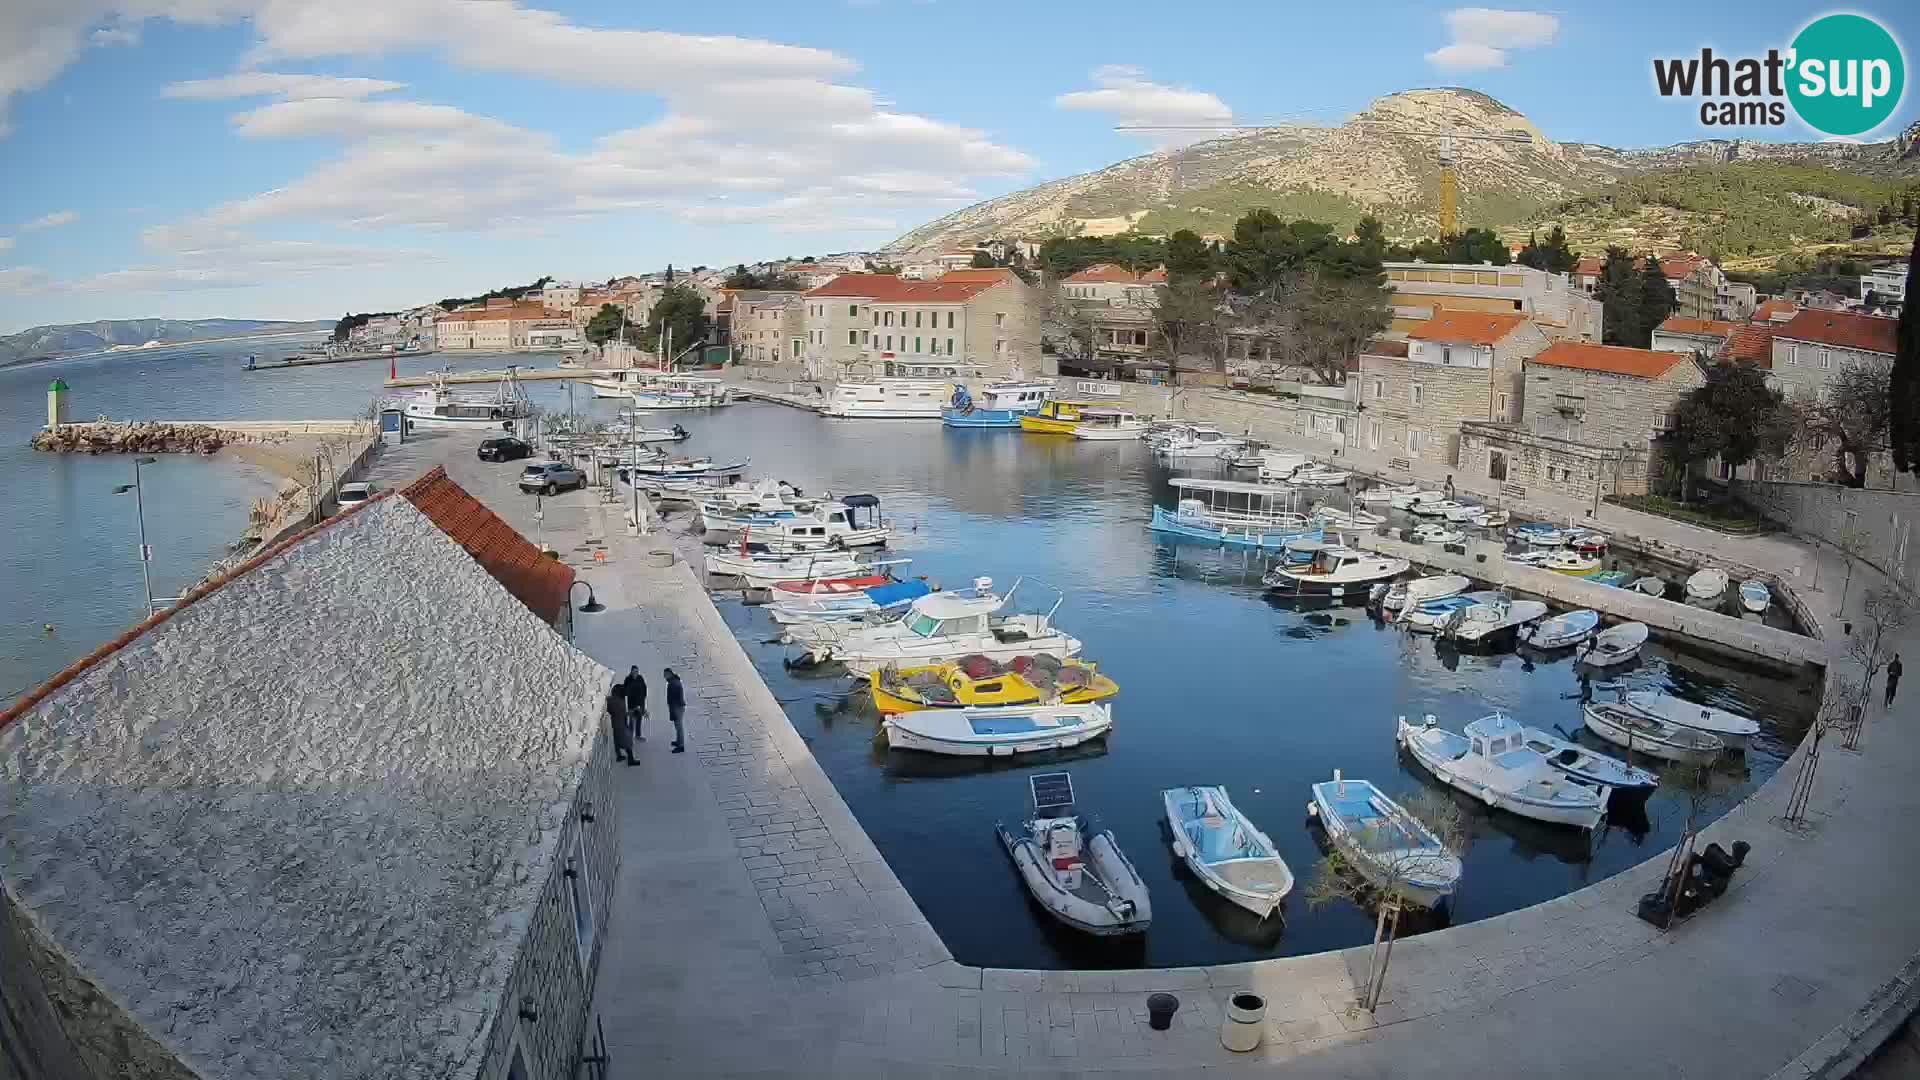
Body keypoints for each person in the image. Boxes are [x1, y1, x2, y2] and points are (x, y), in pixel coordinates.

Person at [606, 681, 635, 765]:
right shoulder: (620, 702)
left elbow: (610, 710)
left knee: (617, 739)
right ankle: (631, 760)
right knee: (627, 740)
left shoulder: (610, 700)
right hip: (621, 723)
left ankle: (619, 756)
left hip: (614, 723)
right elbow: (622, 713)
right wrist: (631, 713)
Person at [665, 667, 687, 753]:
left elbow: (673, 699)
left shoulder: (673, 683)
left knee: (679, 726)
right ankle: (678, 742)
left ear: (670, 674)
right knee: (677, 726)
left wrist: (672, 710)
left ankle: (681, 746)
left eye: (666, 674)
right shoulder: (674, 681)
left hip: (677, 707)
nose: (664, 676)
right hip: (677, 706)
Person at [623, 666, 648, 742]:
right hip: (632, 704)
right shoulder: (628, 679)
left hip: (640, 703)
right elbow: (626, 692)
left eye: (637, 671)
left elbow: (644, 689)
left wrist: (643, 700)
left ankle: (638, 735)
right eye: (634, 671)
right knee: (632, 721)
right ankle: (629, 737)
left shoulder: (640, 678)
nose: (635, 673)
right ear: (631, 671)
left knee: (639, 719)